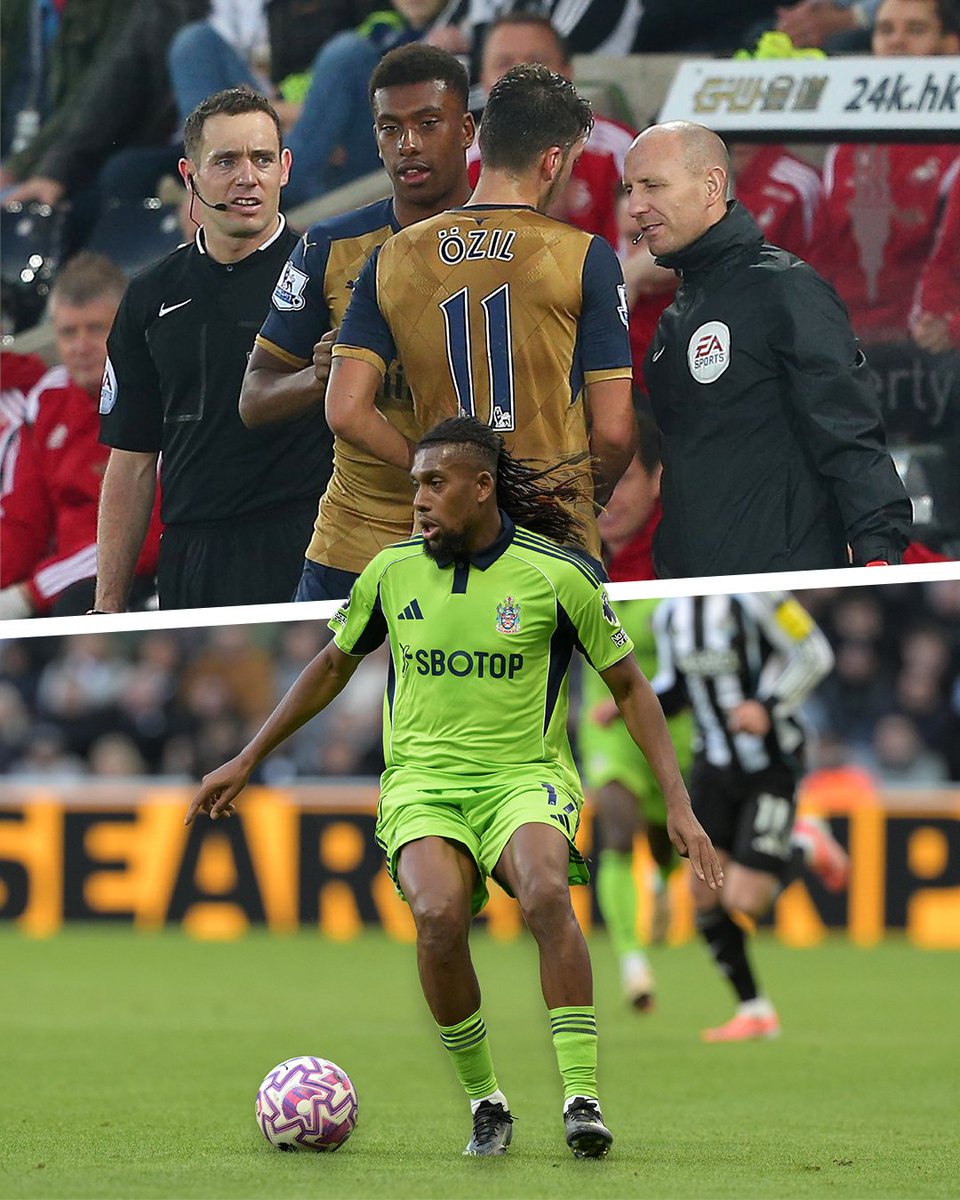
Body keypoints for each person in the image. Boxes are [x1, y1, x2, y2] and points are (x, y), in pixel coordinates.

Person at [186, 414, 723, 1158]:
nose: (420, 500)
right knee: (438, 916)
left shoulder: (558, 575)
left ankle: (580, 1099)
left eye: (435, 484)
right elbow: (332, 665)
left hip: (524, 778)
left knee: (543, 892)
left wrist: (682, 806)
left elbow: (630, 688)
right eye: (416, 487)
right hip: (422, 784)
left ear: (480, 487)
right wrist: (247, 757)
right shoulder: (390, 572)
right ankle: (487, 1104)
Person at [326, 63, 635, 578]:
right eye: (573, 162)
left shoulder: (392, 256)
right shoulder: (583, 256)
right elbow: (617, 431)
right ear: (553, 159)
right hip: (553, 543)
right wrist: (573, 499)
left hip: (443, 541)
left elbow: (344, 410)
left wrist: (437, 478)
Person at [623, 120, 912, 577]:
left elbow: (849, 431)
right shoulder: (672, 324)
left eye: (652, 185)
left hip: (784, 586)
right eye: (629, 188)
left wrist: (877, 551)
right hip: (696, 590)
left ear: (712, 184)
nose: (635, 206)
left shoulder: (783, 288)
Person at [243, 43, 476, 604]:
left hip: (477, 534)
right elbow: (254, 397)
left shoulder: (527, 247)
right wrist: (318, 377)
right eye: (390, 128)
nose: (409, 144)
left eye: (427, 123)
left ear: (467, 129)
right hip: (352, 545)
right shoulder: (327, 245)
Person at [94, 87, 330, 613]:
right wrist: (107, 604)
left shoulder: (328, 277)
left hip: (307, 545)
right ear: (190, 176)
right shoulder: (149, 295)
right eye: (225, 161)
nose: (248, 176)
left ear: (285, 168)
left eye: (262, 158)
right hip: (191, 554)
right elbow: (131, 459)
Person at [651, 591, 849, 1041]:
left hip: (771, 764)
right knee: (703, 892)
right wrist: (629, 700)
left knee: (745, 901)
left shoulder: (762, 596)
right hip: (711, 766)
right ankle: (754, 1010)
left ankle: (805, 843)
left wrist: (769, 706)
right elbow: (676, 686)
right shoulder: (669, 609)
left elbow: (816, 653)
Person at [0, 254, 160, 619]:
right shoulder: (45, 399)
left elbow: (150, 535)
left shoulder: (159, 391)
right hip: (60, 582)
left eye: (95, 329)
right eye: (69, 332)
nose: (80, 346)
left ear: (125, 327)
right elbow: (25, 520)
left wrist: (30, 593)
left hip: (139, 577)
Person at [807, 0, 960, 349]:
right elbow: (821, 258)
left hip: (934, 356)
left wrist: (953, 328)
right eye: (885, 30)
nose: (896, 42)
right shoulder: (844, 148)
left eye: (916, 30)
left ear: (952, 45)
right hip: (851, 350)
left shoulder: (954, 148)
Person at [465, 14, 637, 248]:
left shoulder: (621, 149)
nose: (520, 74)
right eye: (504, 62)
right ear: (483, 79)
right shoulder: (463, 159)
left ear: (567, 72)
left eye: (536, 62)